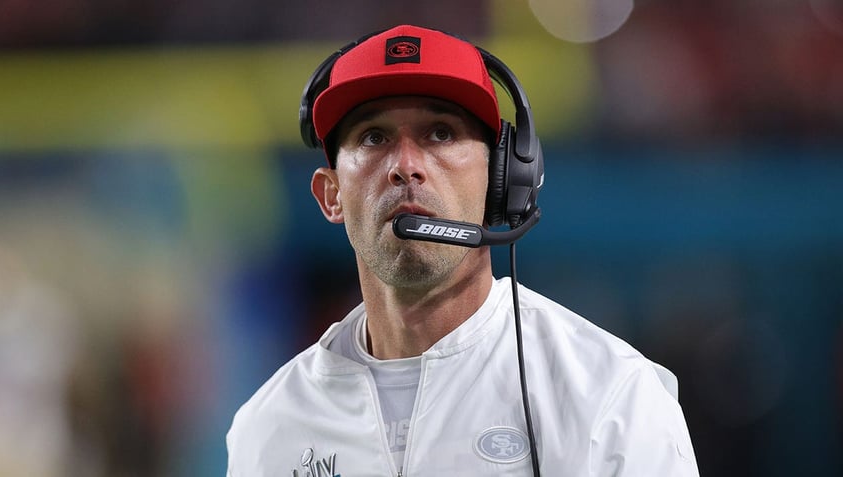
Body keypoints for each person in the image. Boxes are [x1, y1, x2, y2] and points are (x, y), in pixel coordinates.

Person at [226, 24, 699, 477]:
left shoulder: (611, 399)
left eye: (440, 133)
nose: (406, 166)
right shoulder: (268, 430)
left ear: (502, 181)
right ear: (331, 195)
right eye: (374, 137)